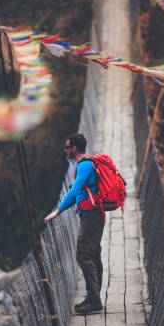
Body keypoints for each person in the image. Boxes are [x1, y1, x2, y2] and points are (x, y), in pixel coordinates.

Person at [44, 133, 105, 315]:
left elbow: (74, 191)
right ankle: (93, 297)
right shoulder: (85, 164)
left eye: (67, 146)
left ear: (74, 148)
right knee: (93, 254)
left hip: (91, 216)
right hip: (92, 215)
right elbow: (77, 193)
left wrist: (57, 211)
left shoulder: (85, 165)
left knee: (83, 255)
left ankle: (94, 300)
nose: (65, 150)